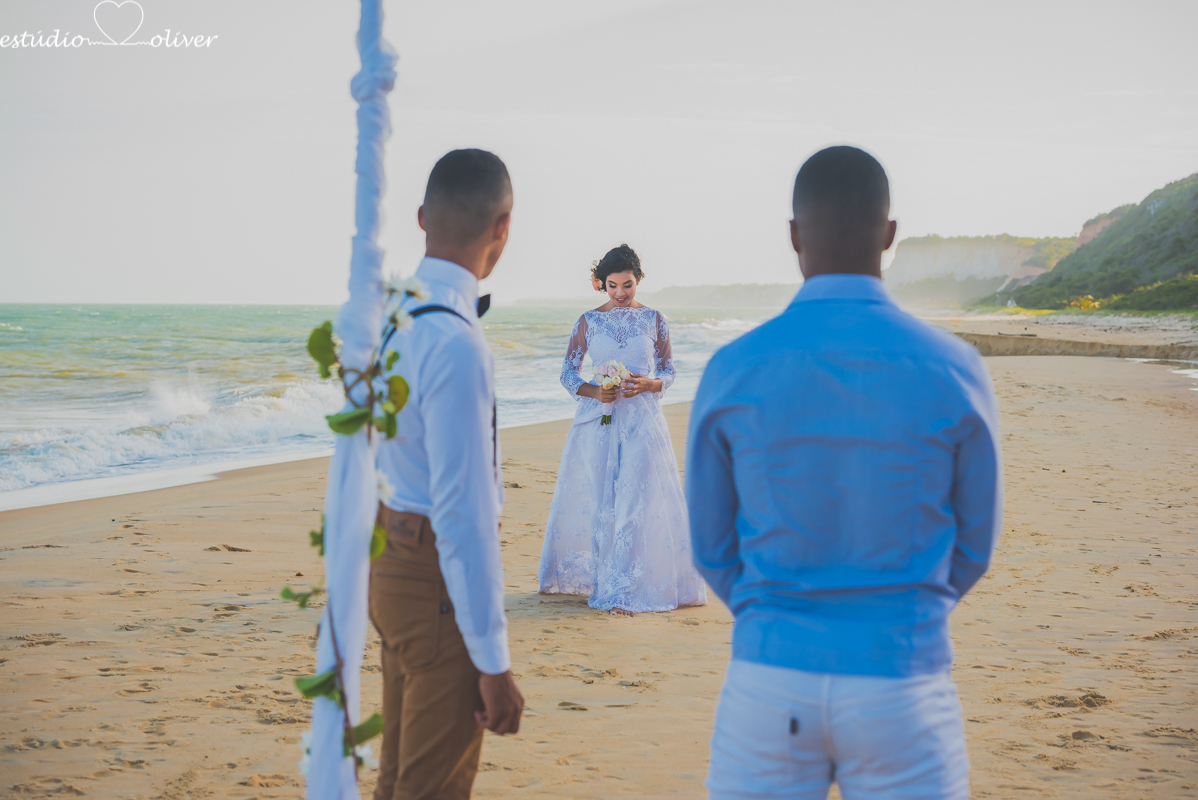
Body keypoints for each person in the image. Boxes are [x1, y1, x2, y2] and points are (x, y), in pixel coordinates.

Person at [687, 146, 1002, 799]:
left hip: (768, 681)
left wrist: (769, 615)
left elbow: (712, 550)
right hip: (902, 682)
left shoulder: (732, 368)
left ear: (794, 237)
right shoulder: (954, 367)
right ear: (889, 237)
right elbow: (974, 545)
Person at [371, 149, 524, 800]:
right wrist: (493, 663)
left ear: (422, 218)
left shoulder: (391, 319)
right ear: (503, 226)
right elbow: (463, 513)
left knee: (398, 781)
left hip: (390, 564)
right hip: (434, 579)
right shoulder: (458, 343)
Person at [538, 244, 708, 616]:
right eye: (612, 286)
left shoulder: (655, 319)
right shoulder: (588, 321)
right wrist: (597, 391)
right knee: (603, 501)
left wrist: (650, 385)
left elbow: (669, 370)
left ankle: (625, 591)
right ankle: (607, 580)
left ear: (639, 280)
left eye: (627, 285)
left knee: (636, 496)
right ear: (601, 283)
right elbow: (568, 372)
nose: (619, 294)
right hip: (599, 422)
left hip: (643, 421)